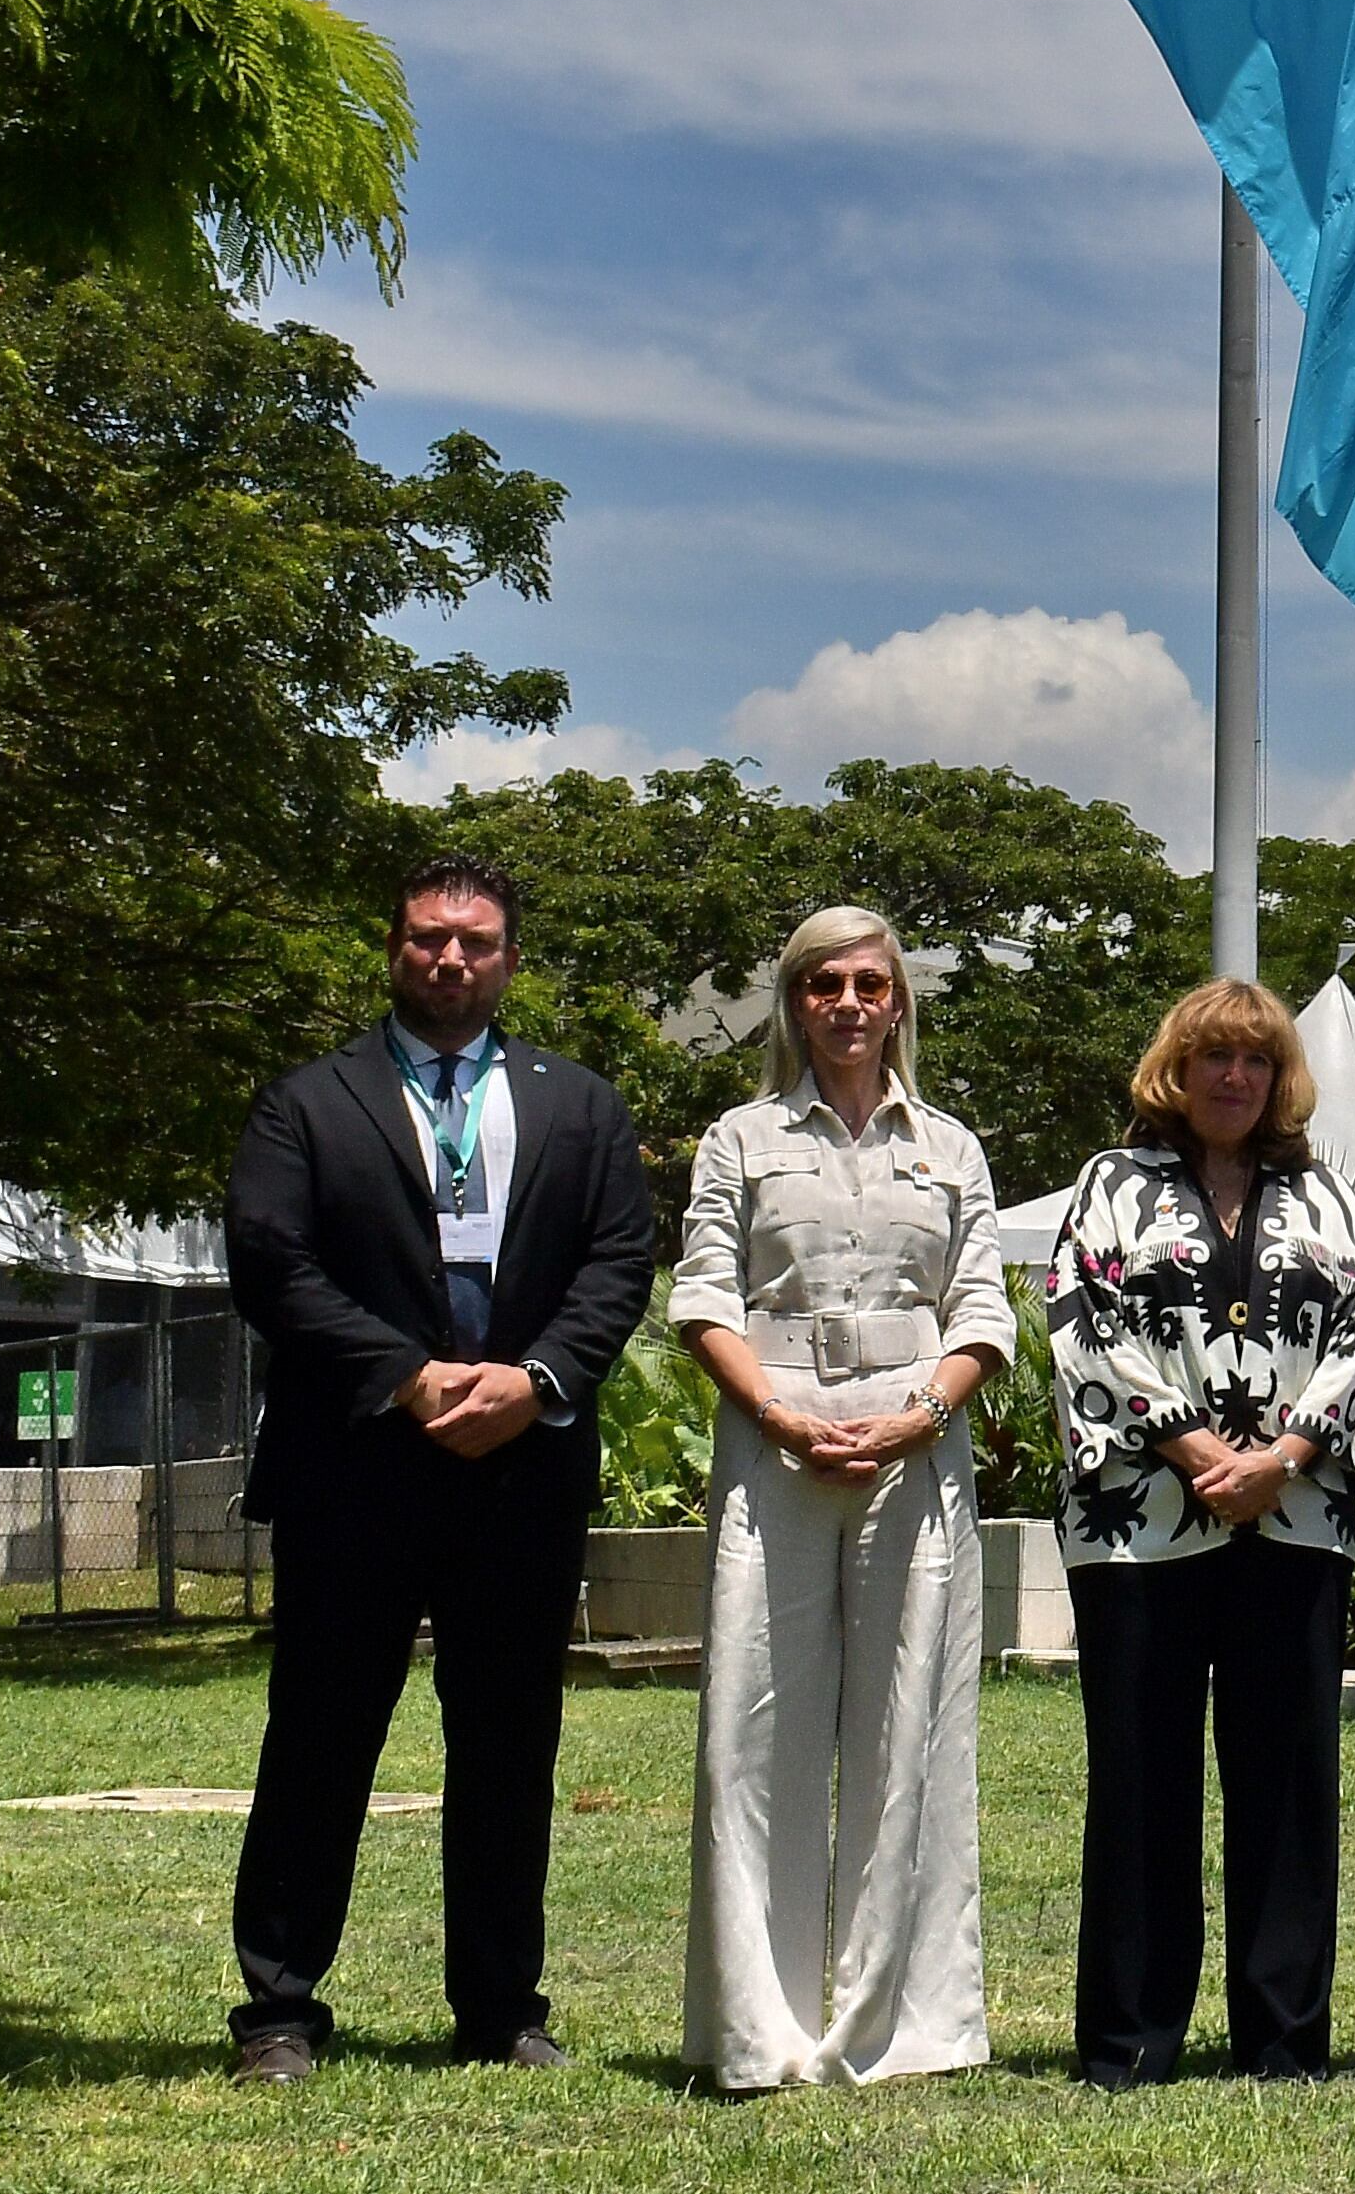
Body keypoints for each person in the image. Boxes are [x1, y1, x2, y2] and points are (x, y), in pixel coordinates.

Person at [221, 858, 657, 2080]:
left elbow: (619, 1261)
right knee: (319, 1737)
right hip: (355, 1464)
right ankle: (280, 2012)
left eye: (475, 941)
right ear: (393, 949)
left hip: (522, 1469)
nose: (449, 959)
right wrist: (408, 1374)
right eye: (427, 939)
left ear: (511, 957)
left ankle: (503, 2010)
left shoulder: (581, 1104)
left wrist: (537, 1380)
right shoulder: (306, 1103)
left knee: (510, 1745)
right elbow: (272, 1260)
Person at [666, 904, 1014, 2089]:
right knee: (753, 1734)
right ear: (795, 1001)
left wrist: (921, 1414)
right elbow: (705, 1294)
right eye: (825, 983)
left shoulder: (953, 1145)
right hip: (774, 1447)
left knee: (911, 1718)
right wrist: (777, 1413)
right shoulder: (740, 1139)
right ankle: (756, 2031)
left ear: (899, 999)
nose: (851, 1002)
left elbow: (981, 1309)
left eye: (871, 981)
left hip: (915, 1448)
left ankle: (903, 2025)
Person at [1047, 978, 1355, 2085]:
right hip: (1139, 1527)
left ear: (1280, 1076)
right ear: (1175, 1070)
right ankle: (1131, 2036)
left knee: (1287, 1785)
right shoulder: (1109, 1184)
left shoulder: (1327, 1196)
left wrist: (1282, 1457)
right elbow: (1082, 1325)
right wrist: (1195, 1449)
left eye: (1255, 1059)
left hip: (1294, 1519)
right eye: (1214, 1057)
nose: (1234, 1077)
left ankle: (1284, 2039)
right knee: (1141, 1780)